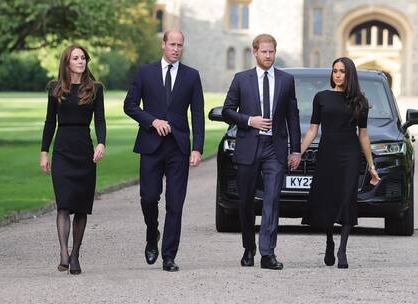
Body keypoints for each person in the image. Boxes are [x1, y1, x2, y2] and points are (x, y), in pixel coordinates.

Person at [124, 30, 204, 272]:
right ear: (163, 45)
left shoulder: (191, 76)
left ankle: (169, 256)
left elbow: (198, 114)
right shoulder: (145, 72)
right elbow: (129, 105)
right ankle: (152, 233)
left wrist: (197, 148)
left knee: (175, 204)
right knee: (148, 198)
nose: (176, 49)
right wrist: (152, 121)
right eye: (172, 44)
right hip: (151, 145)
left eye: (180, 45)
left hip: (178, 148)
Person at [222, 34, 301, 270]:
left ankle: (268, 253)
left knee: (272, 200)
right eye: (264, 52)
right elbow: (227, 111)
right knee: (245, 201)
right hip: (248, 146)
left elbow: (292, 117)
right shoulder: (241, 79)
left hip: (274, 149)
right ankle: (249, 247)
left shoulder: (286, 80)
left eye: (272, 52)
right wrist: (249, 120)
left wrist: (295, 150)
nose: (268, 56)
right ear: (255, 52)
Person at [300, 57, 380, 268]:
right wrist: (298, 153)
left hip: (350, 154)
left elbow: (363, 135)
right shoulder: (321, 97)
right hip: (328, 153)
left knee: (347, 198)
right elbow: (312, 130)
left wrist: (372, 166)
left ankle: (342, 250)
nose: (337, 74)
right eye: (335, 70)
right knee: (328, 198)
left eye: (342, 71)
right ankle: (329, 241)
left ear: (349, 74)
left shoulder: (360, 101)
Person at [40, 45, 106, 275]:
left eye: (83, 58)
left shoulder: (95, 89)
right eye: (76, 58)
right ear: (67, 63)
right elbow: (50, 122)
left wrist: (101, 143)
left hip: (84, 149)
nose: (81, 61)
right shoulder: (55, 88)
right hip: (62, 150)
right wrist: (44, 152)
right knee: (64, 204)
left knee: (81, 206)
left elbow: (100, 120)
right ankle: (63, 252)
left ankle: (76, 254)